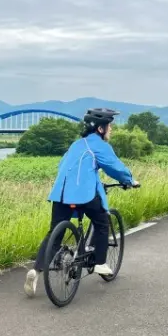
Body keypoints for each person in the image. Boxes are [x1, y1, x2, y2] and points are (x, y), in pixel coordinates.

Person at [24, 108, 138, 298]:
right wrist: (130, 180)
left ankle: (36, 271)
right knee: (102, 220)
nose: (111, 130)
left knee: (55, 232)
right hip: (83, 194)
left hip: (61, 194)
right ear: (101, 129)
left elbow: (65, 166)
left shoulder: (76, 145)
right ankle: (100, 261)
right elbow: (115, 167)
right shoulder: (100, 145)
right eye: (109, 127)